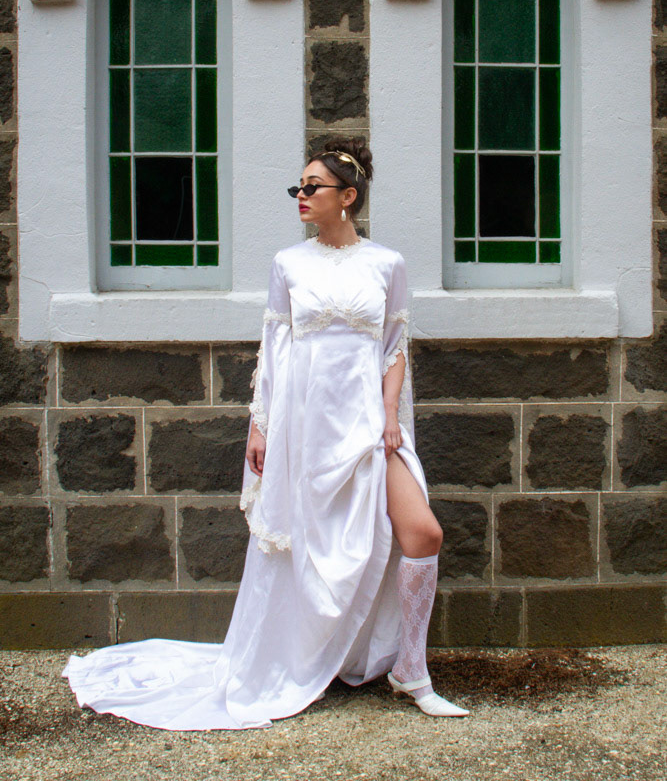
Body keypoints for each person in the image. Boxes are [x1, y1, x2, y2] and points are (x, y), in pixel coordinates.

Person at [62, 137, 469, 729]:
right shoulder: (288, 263)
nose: (301, 195)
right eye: (298, 187)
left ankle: (412, 670)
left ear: (348, 197)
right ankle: (293, 656)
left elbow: (393, 348)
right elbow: (274, 349)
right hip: (305, 429)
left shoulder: (388, 264)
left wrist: (389, 417)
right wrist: (260, 426)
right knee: (301, 548)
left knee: (423, 533)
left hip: (368, 428)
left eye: (313, 186)